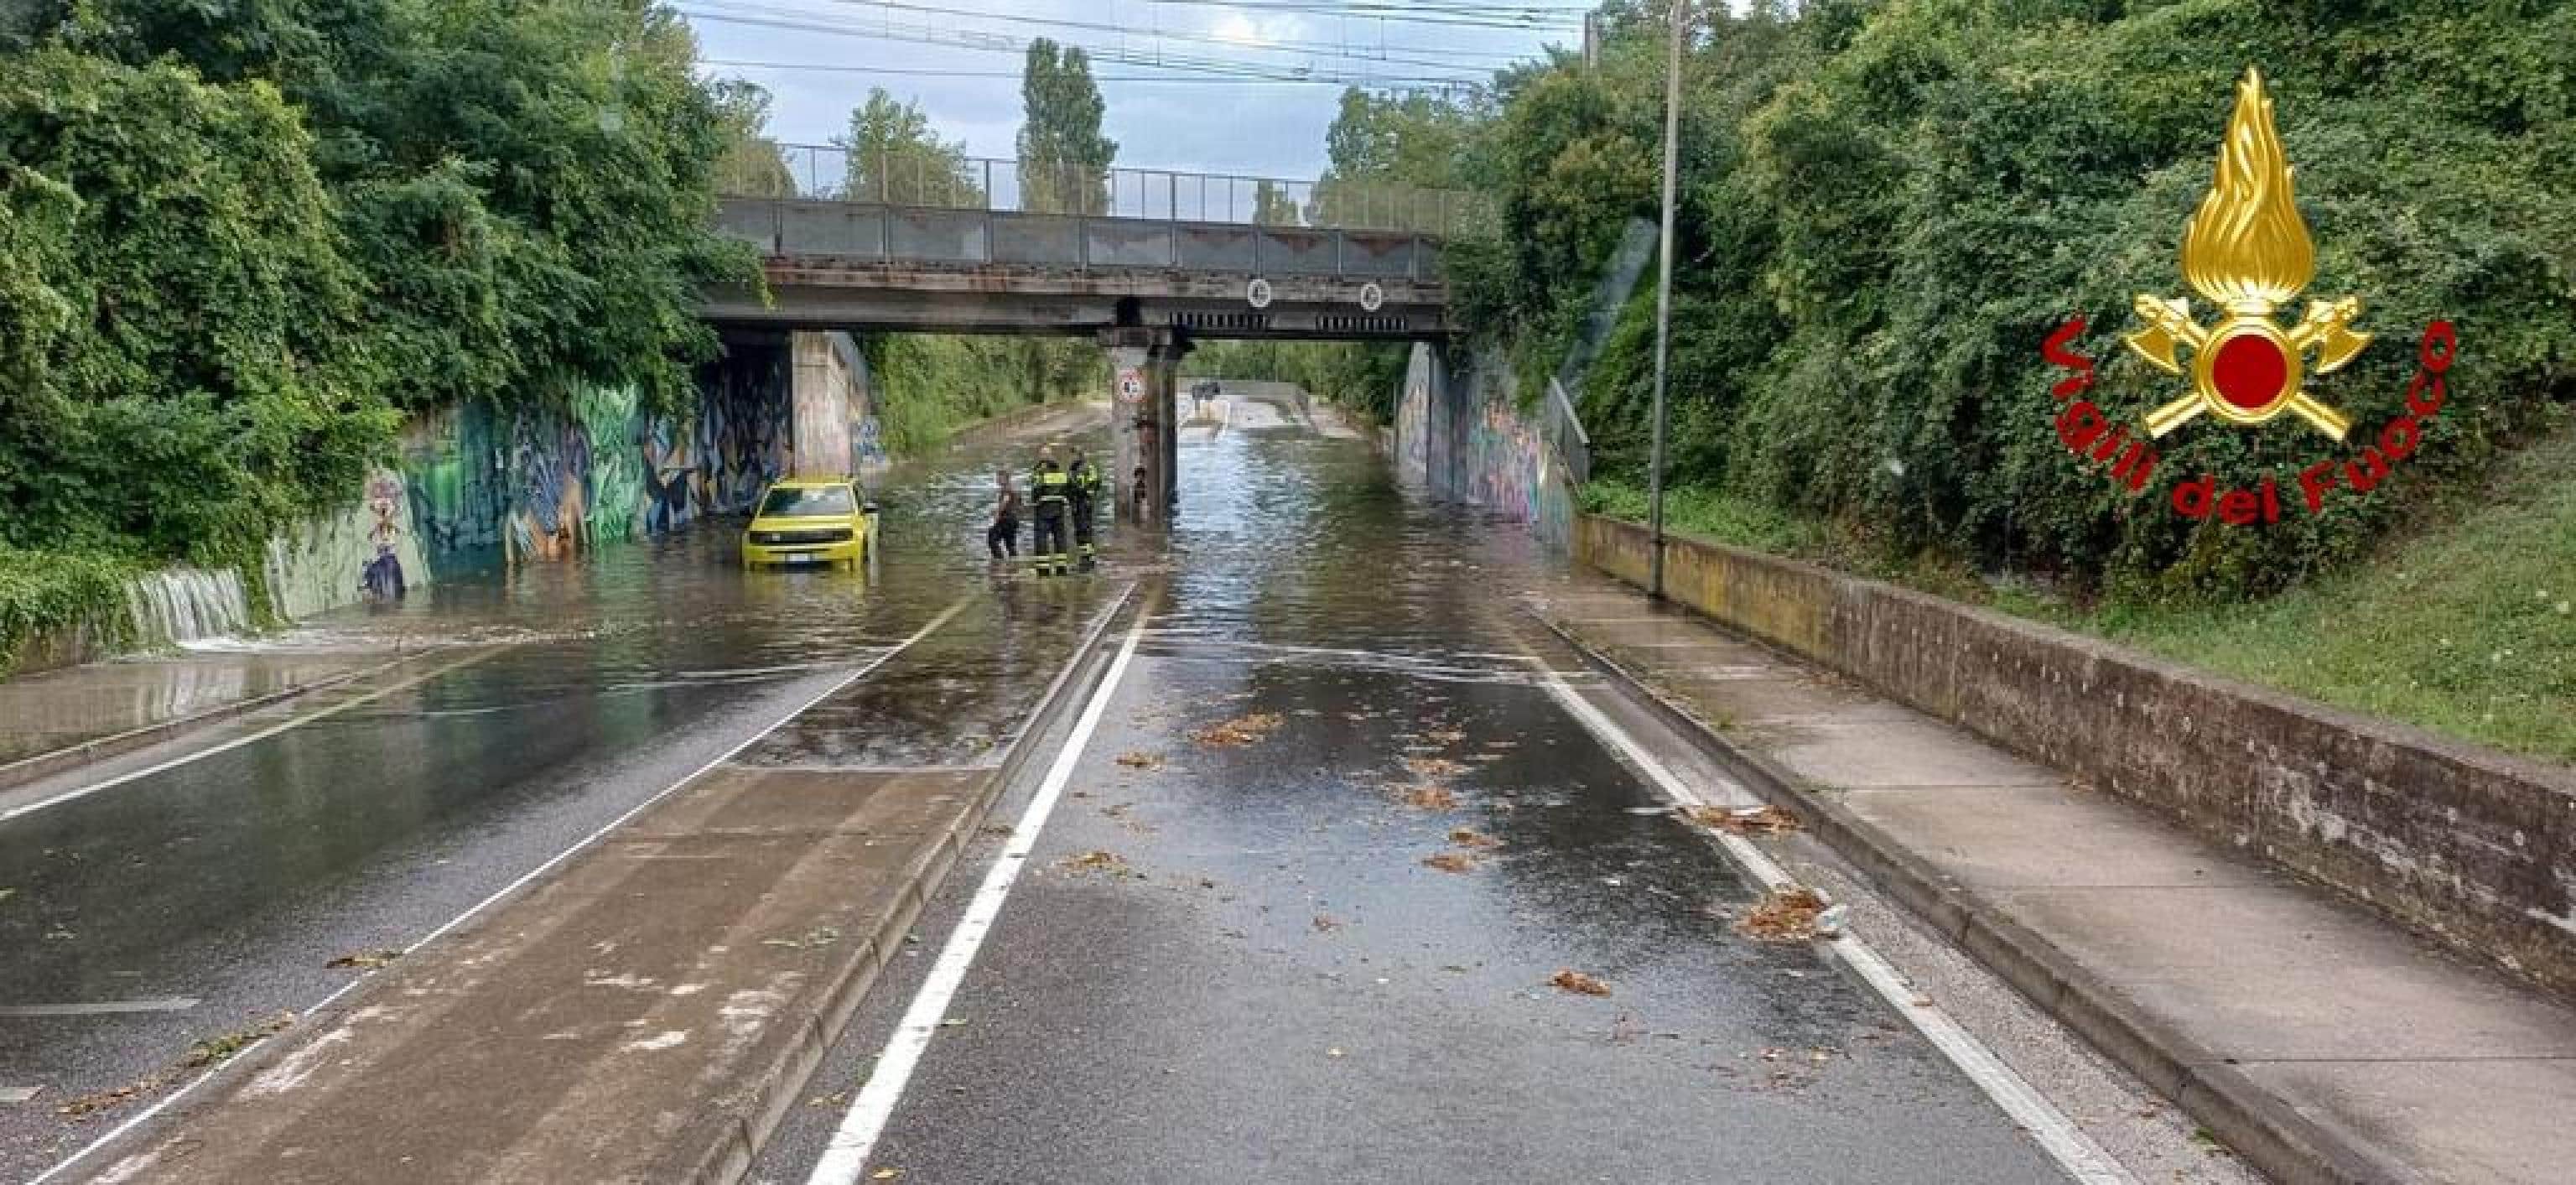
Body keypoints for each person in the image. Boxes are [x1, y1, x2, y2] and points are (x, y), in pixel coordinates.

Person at [1031, 444, 1072, 576]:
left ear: (1042, 457)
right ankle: (1061, 568)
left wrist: (1035, 501)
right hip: (1059, 509)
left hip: (1043, 510)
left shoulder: (1039, 472)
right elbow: (1067, 489)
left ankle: (1043, 570)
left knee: (1042, 539)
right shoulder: (1060, 472)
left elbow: (1036, 490)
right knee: (1060, 538)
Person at [1067, 446, 1101, 570]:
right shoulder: (1074, 469)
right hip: (1078, 503)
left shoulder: (1086, 469)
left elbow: (1093, 485)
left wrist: (1080, 492)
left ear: (1080, 455)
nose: (1072, 458)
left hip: (1083, 503)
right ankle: (1085, 558)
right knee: (1081, 531)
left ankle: (1087, 559)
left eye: (1074, 455)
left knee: (1084, 530)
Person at [987, 469, 1021, 561]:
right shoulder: (1014, 489)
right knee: (1010, 544)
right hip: (1013, 519)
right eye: (996, 478)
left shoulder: (1007, 489)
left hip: (1006, 519)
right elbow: (1019, 505)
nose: (996, 480)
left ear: (1005, 479)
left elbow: (1005, 501)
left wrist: (997, 513)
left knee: (992, 538)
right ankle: (1014, 563)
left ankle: (999, 561)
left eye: (998, 478)